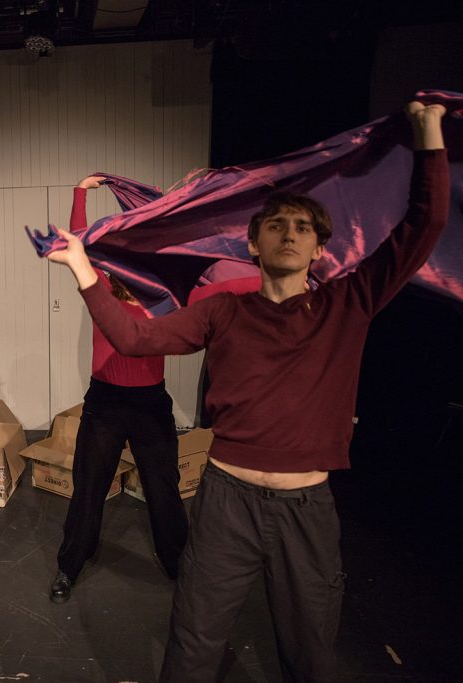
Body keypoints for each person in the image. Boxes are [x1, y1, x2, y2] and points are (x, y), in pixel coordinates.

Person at [44, 102, 448, 682]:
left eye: (302, 227)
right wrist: (83, 267)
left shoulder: (349, 301)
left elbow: (423, 225)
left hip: (306, 511)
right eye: (276, 226)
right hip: (226, 501)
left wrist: (429, 133)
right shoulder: (222, 311)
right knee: (193, 642)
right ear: (253, 245)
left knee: (309, 652)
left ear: (318, 248)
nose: (289, 234)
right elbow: (133, 336)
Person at [50, 175, 188, 605]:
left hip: (150, 403)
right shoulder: (103, 287)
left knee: (163, 488)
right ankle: (70, 566)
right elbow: (77, 245)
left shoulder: (163, 294)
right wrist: (81, 191)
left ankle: (178, 566)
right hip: (105, 401)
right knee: (89, 486)